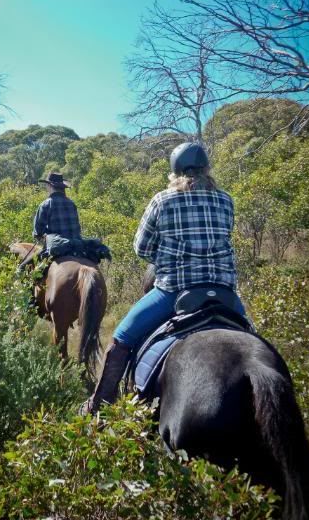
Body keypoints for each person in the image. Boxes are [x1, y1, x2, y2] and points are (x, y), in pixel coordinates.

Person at [81, 142, 247, 415]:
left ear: (175, 171)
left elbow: (142, 248)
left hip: (174, 292)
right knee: (253, 337)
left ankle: (100, 405)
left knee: (122, 336)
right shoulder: (226, 199)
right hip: (224, 293)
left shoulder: (162, 199)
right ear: (207, 169)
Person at [17, 172, 81, 271]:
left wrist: (45, 234)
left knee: (21, 269)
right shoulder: (72, 204)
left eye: (47, 185)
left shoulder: (46, 204)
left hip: (56, 248)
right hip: (76, 247)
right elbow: (77, 228)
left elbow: (37, 233)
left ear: (50, 186)